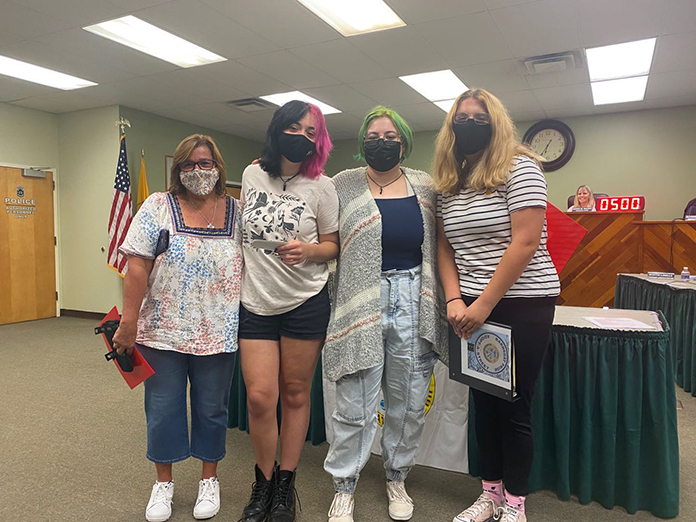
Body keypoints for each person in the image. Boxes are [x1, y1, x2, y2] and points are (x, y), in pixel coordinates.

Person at [432, 89, 560, 522]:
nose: (469, 124)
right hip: (469, 304)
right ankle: (489, 495)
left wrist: (483, 305)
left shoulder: (520, 166)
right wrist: (455, 298)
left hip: (523, 302)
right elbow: (444, 246)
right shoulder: (451, 179)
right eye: (462, 118)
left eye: (479, 117)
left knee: (514, 405)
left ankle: (515, 504)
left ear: (496, 123)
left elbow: (525, 241)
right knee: (484, 402)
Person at [323, 106, 447, 522]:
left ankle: (397, 477)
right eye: (373, 137)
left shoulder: (424, 186)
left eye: (391, 137)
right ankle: (344, 486)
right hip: (362, 299)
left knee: (409, 400)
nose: (382, 143)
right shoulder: (343, 184)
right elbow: (310, 204)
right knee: (354, 402)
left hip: (413, 297)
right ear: (362, 143)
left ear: (404, 143)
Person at [113, 134, 243, 522]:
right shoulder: (158, 206)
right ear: (178, 170)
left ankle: (209, 479)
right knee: (163, 409)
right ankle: (163, 483)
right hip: (162, 333)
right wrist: (128, 321)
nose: (198, 171)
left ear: (218, 168)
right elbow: (137, 266)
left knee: (212, 409)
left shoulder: (237, 211)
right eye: (189, 164)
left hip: (218, 333)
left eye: (205, 163)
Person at [238, 100, 339, 522]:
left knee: (296, 394)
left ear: (319, 141)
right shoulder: (251, 175)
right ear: (278, 129)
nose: (302, 136)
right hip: (256, 301)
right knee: (260, 397)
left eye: (311, 132)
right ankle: (262, 482)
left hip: (304, 301)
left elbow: (333, 245)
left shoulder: (323, 186)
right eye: (294, 127)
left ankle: (285, 484)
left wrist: (309, 250)